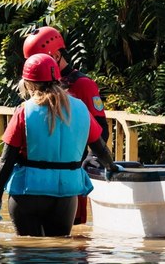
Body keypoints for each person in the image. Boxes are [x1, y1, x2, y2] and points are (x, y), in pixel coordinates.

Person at [0, 52, 117, 237]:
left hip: (28, 194)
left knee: (27, 254)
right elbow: (100, 148)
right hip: (66, 195)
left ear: (28, 83)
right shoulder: (81, 108)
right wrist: (110, 166)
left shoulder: (24, 112)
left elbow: (6, 160)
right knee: (60, 255)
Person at [23, 25, 110, 226]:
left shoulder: (82, 85)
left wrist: (89, 161)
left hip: (70, 172)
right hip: (41, 177)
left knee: (71, 233)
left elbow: (100, 128)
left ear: (56, 55)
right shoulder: (40, 83)